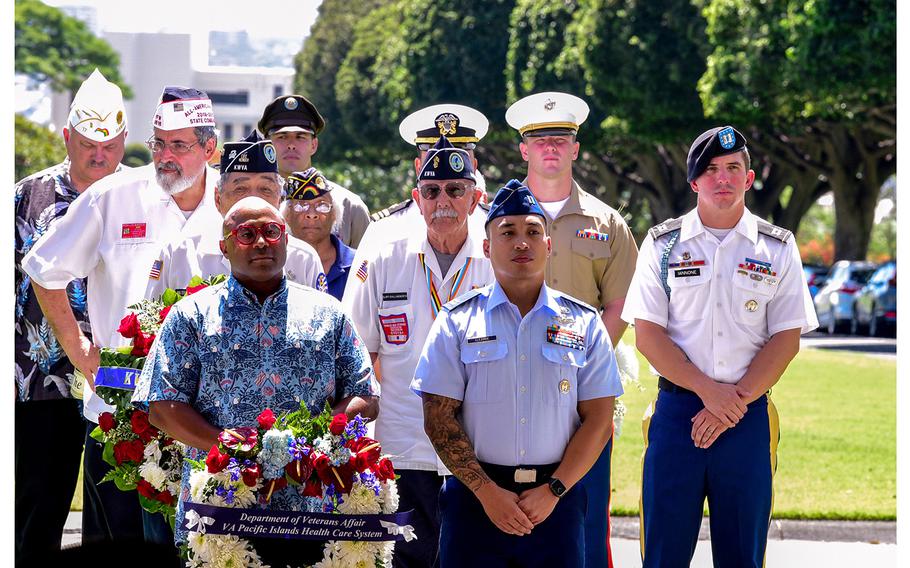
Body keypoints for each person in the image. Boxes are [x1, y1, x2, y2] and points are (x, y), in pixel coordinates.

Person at [21, 86, 223, 545]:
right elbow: (44, 269)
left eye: (179, 145)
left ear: (209, 148)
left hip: (209, 421)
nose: (164, 156)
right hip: (120, 418)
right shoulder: (114, 195)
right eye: (158, 143)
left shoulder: (232, 200)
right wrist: (79, 351)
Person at [133, 196, 380, 567]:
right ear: (225, 247)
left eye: (271, 231)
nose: (261, 242)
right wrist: (234, 449)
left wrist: (313, 442)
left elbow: (364, 393)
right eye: (246, 234)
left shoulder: (328, 312)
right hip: (222, 505)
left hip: (311, 507)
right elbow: (162, 407)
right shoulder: (191, 315)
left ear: (286, 239)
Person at [621, 126, 818, 567]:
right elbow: (649, 336)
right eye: (710, 170)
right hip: (677, 417)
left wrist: (733, 402)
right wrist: (710, 394)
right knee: (663, 555)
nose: (723, 179)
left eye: (733, 168)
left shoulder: (777, 246)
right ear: (693, 182)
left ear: (749, 178)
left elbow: (786, 338)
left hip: (747, 419)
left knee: (742, 556)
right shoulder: (662, 244)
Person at [412, 180, 622, 568]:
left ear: (549, 244)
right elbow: (438, 417)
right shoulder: (457, 322)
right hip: (476, 501)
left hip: (556, 500)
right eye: (507, 233)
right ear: (488, 246)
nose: (521, 243)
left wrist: (553, 490)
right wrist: (488, 494)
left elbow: (598, 418)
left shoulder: (584, 323)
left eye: (532, 232)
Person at [343, 136, 494, 567]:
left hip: (479, 445)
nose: (442, 200)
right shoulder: (385, 249)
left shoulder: (496, 251)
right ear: (417, 198)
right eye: (431, 191)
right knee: (406, 560)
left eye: (455, 189)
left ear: (475, 196)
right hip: (404, 442)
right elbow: (356, 349)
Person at [505, 91, 639, 567]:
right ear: (524, 149)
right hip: (503, 385)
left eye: (561, 139)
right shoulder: (498, 220)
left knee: (583, 513)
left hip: (582, 388)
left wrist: (581, 360)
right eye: (539, 140)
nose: (551, 148)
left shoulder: (607, 222)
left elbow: (621, 304)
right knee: (501, 515)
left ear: (576, 148)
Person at [14, 69, 128, 563]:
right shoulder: (25, 197)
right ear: (67, 137)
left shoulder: (141, 195)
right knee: (34, 511)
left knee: (116, 518)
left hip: (121, 380)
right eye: (87, 144)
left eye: (109, 146)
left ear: (124, 142)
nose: (98, 156)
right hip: (39, 380)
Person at [145, 131, 325, 297]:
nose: (254, 201)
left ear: (280, 199)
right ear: (218, 198)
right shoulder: (180, 254)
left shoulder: (303, 259)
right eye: (241, 189)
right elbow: (150, 327)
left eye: (265, 189)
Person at [258, 94, 370, 247]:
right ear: (267, 145)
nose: (291, 144)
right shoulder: (252, 203)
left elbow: (364, 267)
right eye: (282, 137)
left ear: (314, 145)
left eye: (300, 137)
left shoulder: (349, 207)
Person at [283, 167, 355, 301]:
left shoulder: (358, 263)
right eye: (301, 206)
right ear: (287, 215)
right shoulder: (276, 265)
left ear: (334, 214)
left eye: (322, 206)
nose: (311, 214)